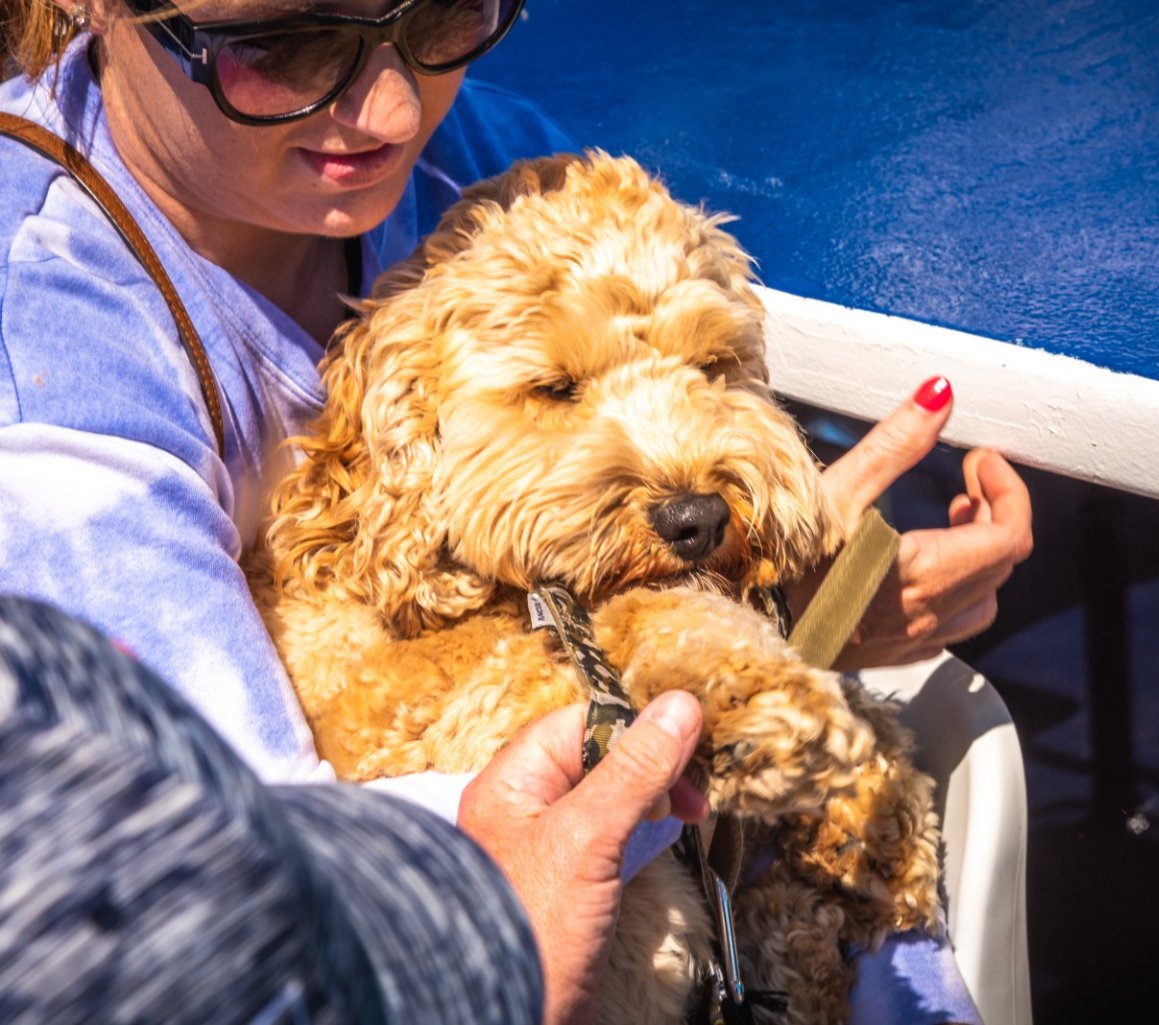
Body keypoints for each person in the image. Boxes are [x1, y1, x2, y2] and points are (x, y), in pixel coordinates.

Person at [0, 2, 1034, 1022]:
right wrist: (693, 718)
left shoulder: (490, 167)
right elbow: (246, 912)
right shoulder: (43, 368)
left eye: (445, 14)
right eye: (285, 44)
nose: (396, 111)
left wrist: (798, 583)